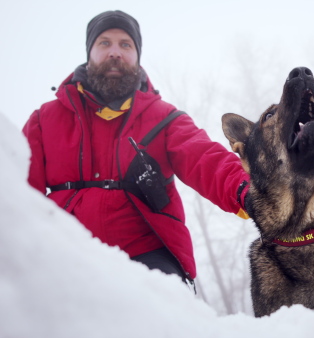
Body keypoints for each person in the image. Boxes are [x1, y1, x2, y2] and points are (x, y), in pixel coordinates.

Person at [22, 10, 250, 287]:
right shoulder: (44, 120)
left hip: (149, 253)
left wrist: (251, 190)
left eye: (125, 44)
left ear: (137, 56)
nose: (115, 52)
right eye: (104, 43)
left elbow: (203, 157)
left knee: (166, 316)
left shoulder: (165, 119)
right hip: (63, 253)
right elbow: (18, 190)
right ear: (89, 53)